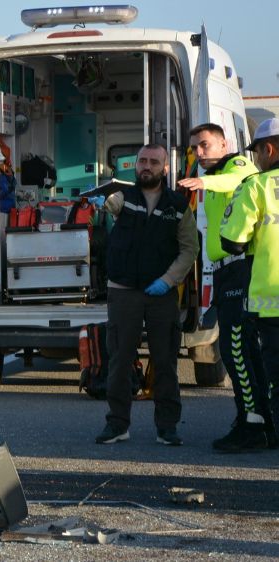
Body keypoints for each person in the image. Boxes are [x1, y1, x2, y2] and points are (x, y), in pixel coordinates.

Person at [95, 144, 198, 446]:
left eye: (154, 162)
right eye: (142, 161)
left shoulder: (178, 205)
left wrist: (168, 281)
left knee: (165, 361)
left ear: (165, 168)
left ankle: (167, 426)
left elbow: (189, 249)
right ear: (135, 165)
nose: (146, 167)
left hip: (161, 294)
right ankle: (117, 424)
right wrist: (100, 200)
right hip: (123, 292)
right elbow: (110, 204)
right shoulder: (124, 198)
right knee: (119, 358)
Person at [177, 123, 267, 452]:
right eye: (195, 148)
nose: (199, 153)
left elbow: (239, 178)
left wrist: (204, 181)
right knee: (243, 351)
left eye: (205, 146)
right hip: (225, 271)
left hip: (240, 270)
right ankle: (258, 419)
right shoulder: (215, 175)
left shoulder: (235, 165)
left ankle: (251, 423)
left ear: (223, 144)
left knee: (236, 351)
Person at [220, 117, 279, 450]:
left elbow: (232, 241)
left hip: (272, 303)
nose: (256, 159)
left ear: (268, 149)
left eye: (257, 153)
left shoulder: (256, 186)